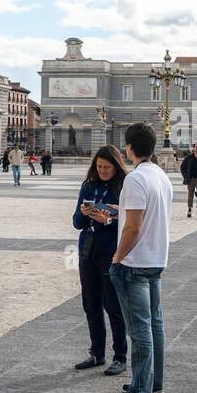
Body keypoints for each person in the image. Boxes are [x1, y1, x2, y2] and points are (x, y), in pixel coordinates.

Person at [103, 122, 173, 393]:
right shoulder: (160, 176)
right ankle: (154, 383)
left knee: (139, 328)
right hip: (156, 259)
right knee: (155, 324)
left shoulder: (134, 179)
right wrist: (117, 211)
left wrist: (117, 258)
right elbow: (144, 214)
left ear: (129, 149)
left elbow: (133, 228)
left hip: (134, 263)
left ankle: (140, 391)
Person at [73, 145, 129, 376]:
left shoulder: (124, 187)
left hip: (110, 252)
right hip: (88, 250)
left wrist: (109, 220)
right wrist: (86, 215)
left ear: (116, 166)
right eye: (99, 166)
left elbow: (129, 222)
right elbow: (76, 222)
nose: (103, 170)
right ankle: (96, 352)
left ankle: (120, 356)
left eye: (107, 167)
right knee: (90, 303)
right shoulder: (89, 186)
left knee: (113, 305)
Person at [180, 142, 197, 217]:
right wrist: (185, 176)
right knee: (190, 195)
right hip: (191, 179)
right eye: (196, 147)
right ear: (193, 148)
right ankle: (189, 209)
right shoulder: (188, 158)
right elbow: (182, 167)